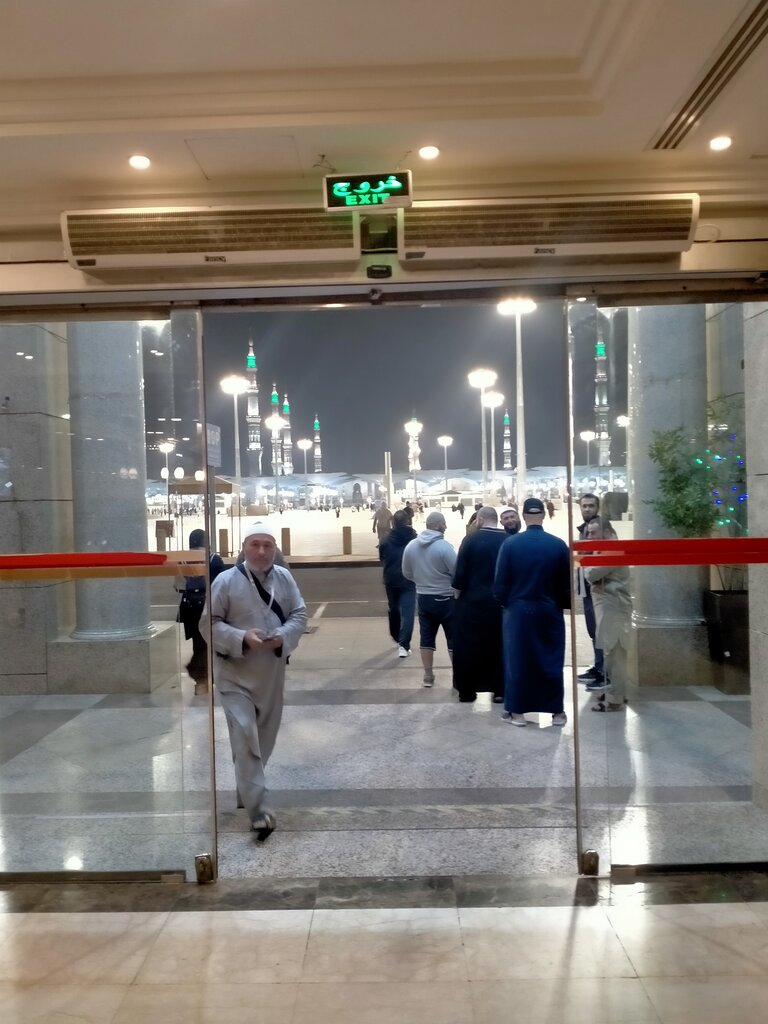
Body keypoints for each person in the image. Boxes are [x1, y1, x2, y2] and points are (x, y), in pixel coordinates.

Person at [201, 521, 307, 839]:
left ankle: (244, 791)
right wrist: (242, 637)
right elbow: (208, 624)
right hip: (234, 675)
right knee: (246, 736)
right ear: (243, 548)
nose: (261, 551)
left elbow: (299, 614)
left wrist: (284, 635)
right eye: (255, 544)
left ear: (275, 549)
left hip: (271, 674)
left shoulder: (284, 578)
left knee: (263, 740)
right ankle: (259, 811)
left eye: (267, 545)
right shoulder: (225, 581)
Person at [493, 496, 571, 727]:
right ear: (543, 515)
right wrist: (558, 604)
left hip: (518, 612)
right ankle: (557, 712)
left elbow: (499, 585)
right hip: (549, 610)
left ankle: (517, 712)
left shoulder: (510, 545)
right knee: (551, 660)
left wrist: (508, 603)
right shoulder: (558, 545)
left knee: (518, 661)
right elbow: (566, 586)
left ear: (524, 516)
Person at [451, 506, 506, 702]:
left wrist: (457, 596)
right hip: (500, 604)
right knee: (499, 647)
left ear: (480, 519)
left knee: (469, 648)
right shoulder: (508, 540)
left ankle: (467, 690)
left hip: (472, 604)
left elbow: (460, 575)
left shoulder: (470, 540)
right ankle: (499, 690)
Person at [402, 510, 456, 687]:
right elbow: (457, 572)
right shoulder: (444, 547)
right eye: (444, 523)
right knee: (453, 639)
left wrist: (422, 582)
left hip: (424, 598)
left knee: (426, 637)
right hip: (446, 598)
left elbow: (406, 573)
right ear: (438, 525)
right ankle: (457, 676)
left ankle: (428, 676)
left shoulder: (411, 546)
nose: (445, 527)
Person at [583, 517, 630, 712]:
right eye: (588, 533)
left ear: (607, 532)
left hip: (614, 607)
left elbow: (591, 574)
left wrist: (586, 565)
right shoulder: (604, 548)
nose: (589, 537)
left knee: (615, 652)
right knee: (610, 651)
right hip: (609, 606)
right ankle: (614, 690)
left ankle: (615, 699)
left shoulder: (612, 549)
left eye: (593, 533)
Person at [177, 529, 225, 694]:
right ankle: (208, 677)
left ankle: (201, 681)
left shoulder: (183, 559)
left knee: (198, 643)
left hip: (190, 607)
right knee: (212, 642)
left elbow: (178, 586)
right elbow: (222, 584)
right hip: (209, 605)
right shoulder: (214, 559)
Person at [379, 509, 417, 657]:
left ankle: (396, 637)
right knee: (408, 612)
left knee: (393, 609)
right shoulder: (414, 538)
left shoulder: (385, 539)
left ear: (393, 522)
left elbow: (382, 557)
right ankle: (404, 645)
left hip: (391, 579)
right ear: (407, 521)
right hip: (409, 579)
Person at [575, 493, 605, 686]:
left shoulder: (601, 528)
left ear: (597, 507)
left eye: (591, 506)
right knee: (593, 630)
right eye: (584, 506)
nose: (587, 509)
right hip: (588, 588)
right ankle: (599, 667)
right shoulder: (585, 529)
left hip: (599, 589)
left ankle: (604, 672)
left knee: (600, 631)